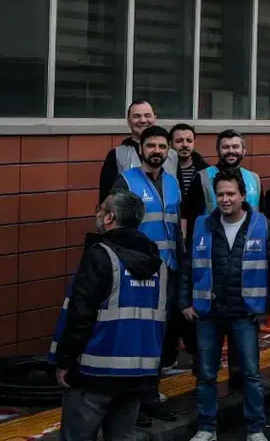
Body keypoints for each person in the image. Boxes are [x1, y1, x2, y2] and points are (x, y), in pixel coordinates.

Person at [49, 191, 166, 441]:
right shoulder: (156, 262)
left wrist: (65, 361)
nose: (98, 214)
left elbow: (81, 316)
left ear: (110, 217)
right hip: (139, 373)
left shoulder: (100, 256)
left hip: (95, 373)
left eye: (101, 209)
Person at [182, 171, 270, 441]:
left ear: (243, 196)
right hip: (208, 312)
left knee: (251, 374)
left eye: (231, 194)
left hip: (245, 313)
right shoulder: (202, 224)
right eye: (220, 194)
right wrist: (184, 303)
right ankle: (206, 428)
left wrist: (267, 305)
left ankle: (255, 429)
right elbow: (189, 266)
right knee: (206, 374)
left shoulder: (261, 224)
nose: (225, 199)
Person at [106, 125, 181, 423]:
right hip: (137, 271)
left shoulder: (173, 182)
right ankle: (131, 404)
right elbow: (114, 226)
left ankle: (150, 395)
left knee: (159, 335)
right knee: (134, 334)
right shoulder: (126, 180)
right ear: (141, 149)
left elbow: (176, 227)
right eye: (151, 146)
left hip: (168, 269)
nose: (156, 151)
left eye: (162, 146)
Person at [184, 130, 262, 243]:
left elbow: (262, 216)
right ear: (217, 150)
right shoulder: (202, 178)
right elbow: (192, 221)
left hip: (250, 245)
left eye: (235, 147)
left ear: (244, 151)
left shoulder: (254, 179)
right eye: (225, 147)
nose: (231, 151)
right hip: (214, 244)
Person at [98, 99, 179, 203]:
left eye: (147, 115)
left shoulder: (173, 155)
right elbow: (106, 198)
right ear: (128, 121)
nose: (143, 120)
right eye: (137, 116)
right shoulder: (117, 155)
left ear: (155, 119)